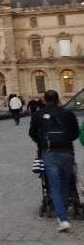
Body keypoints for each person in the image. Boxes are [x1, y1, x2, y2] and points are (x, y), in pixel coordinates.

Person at [29, 90, 79, 231]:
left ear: (44, 100)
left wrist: (43, 142)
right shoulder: (68, 113)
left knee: (54, 186)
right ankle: (63, 215)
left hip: (49, 153)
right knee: (64, 184)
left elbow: (32, 133)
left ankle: (63, 219)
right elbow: (75, 133)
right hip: (67, 152)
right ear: (58, 99)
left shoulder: (38, 114)